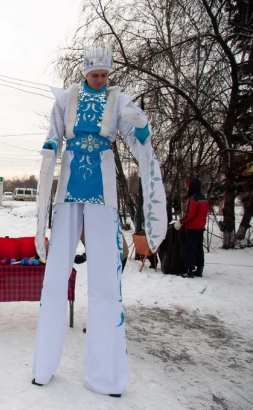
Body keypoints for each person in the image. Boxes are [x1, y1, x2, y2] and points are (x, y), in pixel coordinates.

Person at [32, 47, 167, 396]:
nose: (101, 80)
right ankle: (44, 366)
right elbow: (54, 133)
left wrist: (140, 127)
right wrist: (49, 147)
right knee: (56, 274)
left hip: (103, 189)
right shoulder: (67, 98)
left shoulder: (118, 100)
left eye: (105, 75)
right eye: (96, 74)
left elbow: (135, 132)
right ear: (85, 72)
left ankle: (105, 376)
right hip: (71, 184)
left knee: (106, 279)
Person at [174, 177, 209, 278]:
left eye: (188, 186)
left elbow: (189, 215)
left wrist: (180, 222)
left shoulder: (192, 200)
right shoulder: (203, 199)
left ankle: (188, 270)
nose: (187, 188)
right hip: (200, 227)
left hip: (191, 228)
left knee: (189, 249)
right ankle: (199, 268)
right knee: (199, 248)